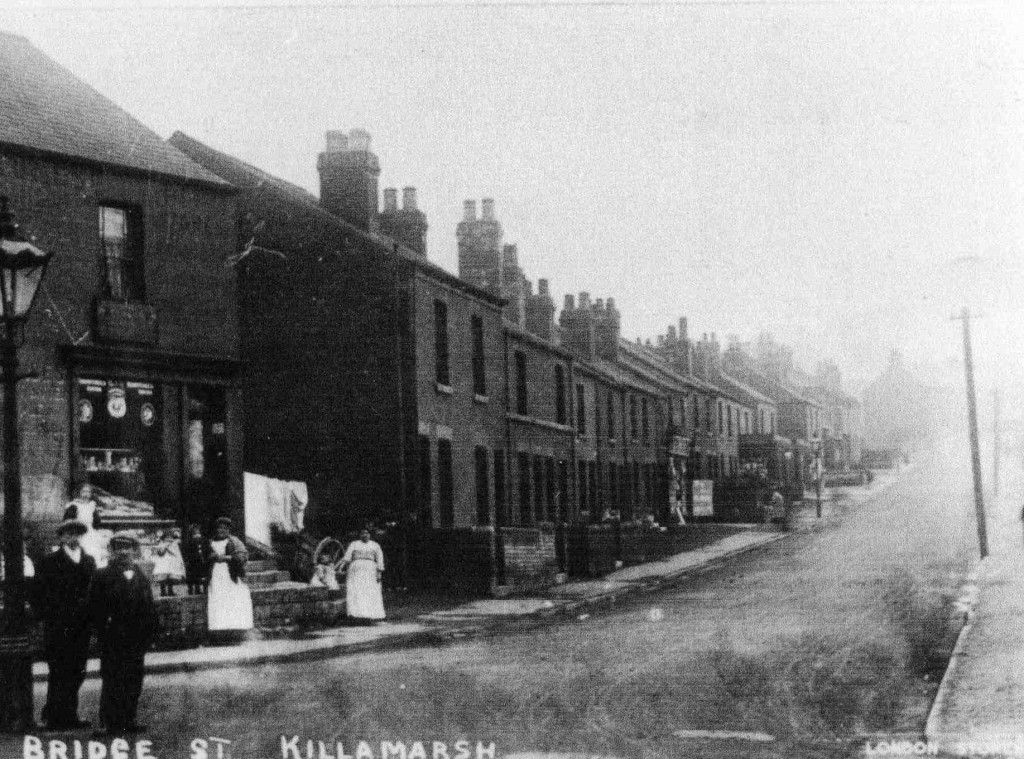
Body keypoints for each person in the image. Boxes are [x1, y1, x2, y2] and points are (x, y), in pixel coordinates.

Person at [89, 531, 157, 735]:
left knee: (134, 678)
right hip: (113, 636)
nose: (123, 552)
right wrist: (102, 632)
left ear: (134, 551)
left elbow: (149, 606)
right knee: (112, 678)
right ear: (113, 551)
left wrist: (150, 634)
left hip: (136, 637)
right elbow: (94, 607)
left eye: (127, 548)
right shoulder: (102, 575)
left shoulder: (141, 576)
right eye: (119, 548)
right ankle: (108, 721)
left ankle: (129, 718)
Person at [35, 519, 96, 730]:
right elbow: (40, 595)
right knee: (59, 670)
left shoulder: (89, 561)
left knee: (77, 670)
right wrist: (53, 615)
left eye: (77, 534)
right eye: (69, 534)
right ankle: (53, 716)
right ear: (61, 537)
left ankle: (70, 715)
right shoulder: (49, 562)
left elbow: (93, 592)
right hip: (59, 626)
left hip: (81, 626)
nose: (73, 538)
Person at [206, 517, 253, 635]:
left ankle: (235, 626)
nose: (221, 530)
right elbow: (205, 556)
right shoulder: (211, 542)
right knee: (218, 597)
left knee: (233, 596)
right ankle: (220, 627)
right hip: (216, 573)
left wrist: (228, 558)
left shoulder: (234, 541)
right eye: (219, 528)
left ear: (228, 530)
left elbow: (243, 556)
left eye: (224, 528)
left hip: (230, 572)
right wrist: (212, 557)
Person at [338, 527, 385, 623]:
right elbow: (347, 557)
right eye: (362, 533)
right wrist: (341, 567)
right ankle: (356, 614)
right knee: (356, 590)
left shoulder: (375, 545)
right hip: (355, 570)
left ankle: (370, 615)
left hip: (370, 570)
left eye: (367, 533)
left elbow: (380, 560)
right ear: (359, 535)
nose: (365, 535)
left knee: (369, 590)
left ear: (370, 535)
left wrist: (379, 573)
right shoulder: (354, 544)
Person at [64, 483, 104, 566]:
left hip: (90, 533)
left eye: (88, 492)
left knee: (94, 552)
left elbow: (96, 522)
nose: (86, 494)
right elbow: (68, 521)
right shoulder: (74, 506)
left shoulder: (91, 505)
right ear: (79, 492)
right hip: (78, 532)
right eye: (84, 492)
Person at [151, 529, 186, 597]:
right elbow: (160, 554)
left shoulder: (172, 544)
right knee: (162, 576)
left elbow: (174, 553)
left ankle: (170, 590)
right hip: (162, 561)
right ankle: (163, 591)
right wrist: (162, 548)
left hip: (170, 561)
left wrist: (167, 548)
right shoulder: (160, 544)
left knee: (170, 576)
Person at [182, 524, 207, 595]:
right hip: (192, 560)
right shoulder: (189, 540)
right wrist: (187, 559)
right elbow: (186, 550)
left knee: (198, 575)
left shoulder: (202, 539)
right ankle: (190, 589)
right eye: (195, 530)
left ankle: (197, 588)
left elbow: (203, 547)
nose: (197, 532)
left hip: (199, 560)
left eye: (198, 530)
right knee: (191, 575)